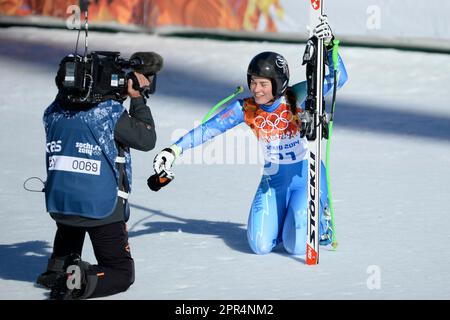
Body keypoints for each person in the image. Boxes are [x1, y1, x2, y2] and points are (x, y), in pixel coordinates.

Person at [151, 16, 347, 256]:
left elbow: (339, 79)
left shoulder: (299, 95)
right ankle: (284, 216)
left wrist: (328, 46)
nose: (256, 89)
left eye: (263, 83)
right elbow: (208, 129)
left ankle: (317, 221)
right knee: (259, 246)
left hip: (307, 178)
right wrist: (174, 150)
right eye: (253, 82)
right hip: (273, 181)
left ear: (278, 83)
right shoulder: (246, 109)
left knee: (296, 246)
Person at [36, 60, 157, 299]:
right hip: (100, 208)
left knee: (73, 215)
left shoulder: (53, 112)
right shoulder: (108, 114)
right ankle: (78, 282)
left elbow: (81, 109)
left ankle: (58, 267)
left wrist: (111, 94)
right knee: (122, 273)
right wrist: (137, 98)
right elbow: (146, 139)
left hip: (61, 205)